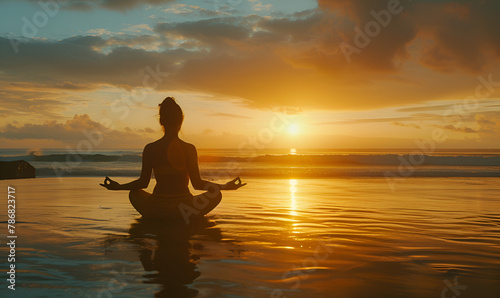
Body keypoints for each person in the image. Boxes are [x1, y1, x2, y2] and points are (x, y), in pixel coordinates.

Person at [100, 97, 245, 221]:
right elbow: (198, 184)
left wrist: (118, 187)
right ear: (181, 121)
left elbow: (142, 183)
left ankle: (160, 217)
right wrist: (225, 186)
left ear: (161, 121)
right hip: (184, 210)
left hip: (156, 209)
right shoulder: (189, 148)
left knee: (134, 193)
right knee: (216, 194)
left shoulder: (150, 148)